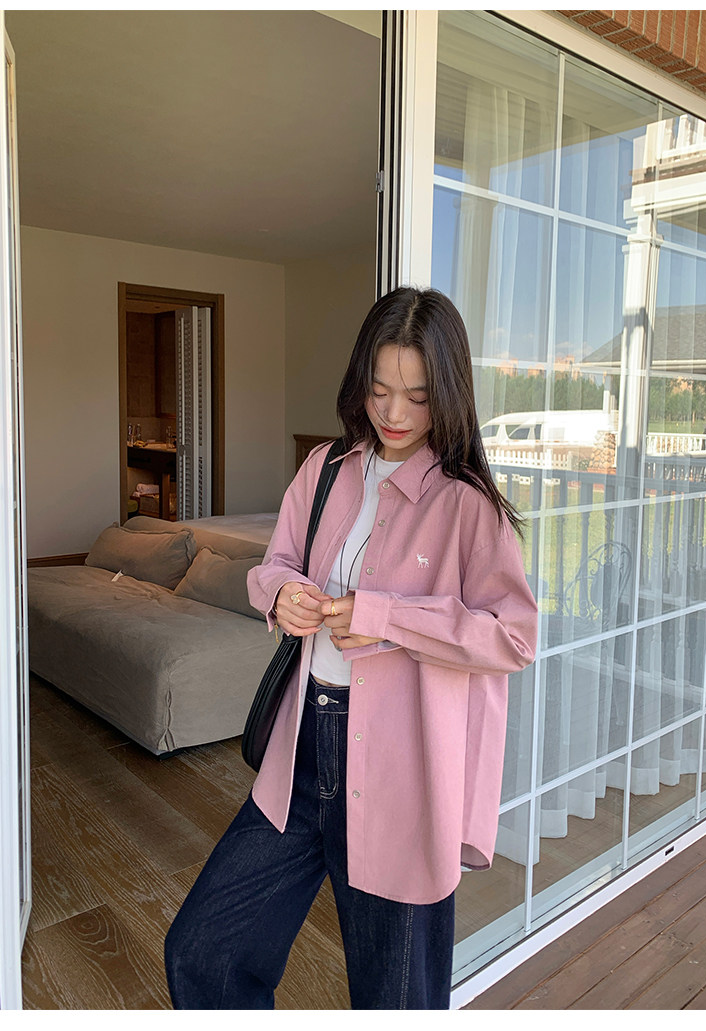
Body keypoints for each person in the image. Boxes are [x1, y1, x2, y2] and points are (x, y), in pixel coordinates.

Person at [164, 286, 538, 1010]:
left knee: (395, 1000)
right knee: (203, 950)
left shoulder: (466, 504)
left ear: (449, 396)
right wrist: (281, 593)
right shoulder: (327, 468)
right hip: (304, 750)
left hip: (404, 771)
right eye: (379, 389)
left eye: (418, 397)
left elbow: (512, 636)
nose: (394, 413)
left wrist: (387, 618)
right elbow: (272, 563)